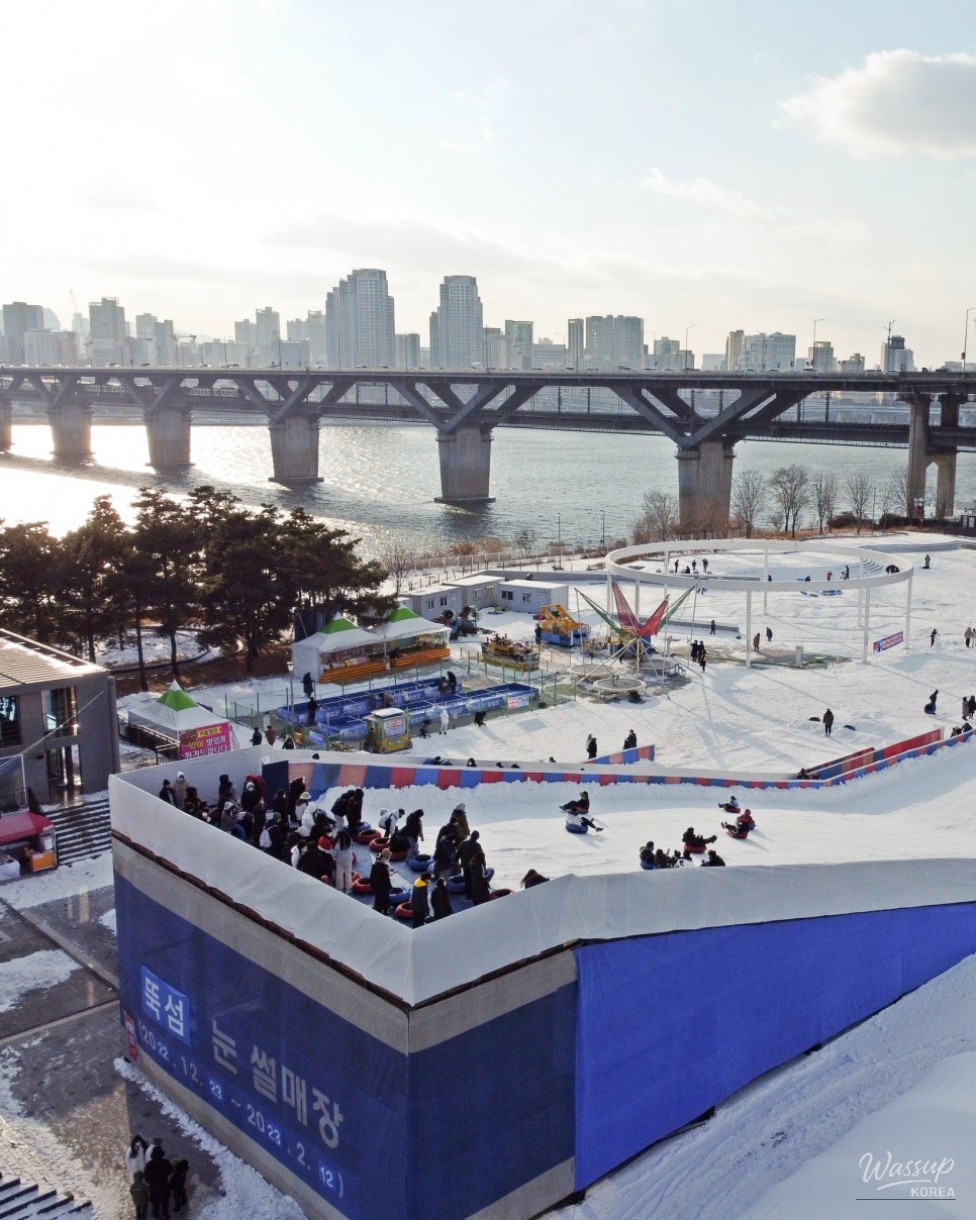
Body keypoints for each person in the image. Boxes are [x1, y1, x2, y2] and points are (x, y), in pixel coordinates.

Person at [143, 1144, 173, 1219]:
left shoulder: (149, 1165)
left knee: (155, 1202)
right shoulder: (165, 1162)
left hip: (154, 1187)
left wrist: (150, 1182)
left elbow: (146, 1176)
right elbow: (170, 1170)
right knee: (165, 1202)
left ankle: (156, 1213)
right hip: (164, 1185)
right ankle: (165, 1214)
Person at [370, 849, 394, 915]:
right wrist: (390, 887)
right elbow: (386, 879)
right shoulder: (384, 867)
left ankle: (377, 909)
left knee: (377, 898)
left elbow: (372, 876)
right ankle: (385, 912)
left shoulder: (375, 864)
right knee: (385, 900)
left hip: (376, 886)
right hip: (382, 888)